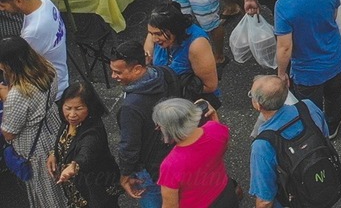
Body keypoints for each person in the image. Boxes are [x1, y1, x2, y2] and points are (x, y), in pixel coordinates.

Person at [274, 0, 341, 136]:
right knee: (334, 95)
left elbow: (284, 47)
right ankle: (333, 124)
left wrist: (281, 73)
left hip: (308, 71)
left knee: (309, 106)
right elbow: (333, 16)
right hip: (335, 58)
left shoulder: (284, 4)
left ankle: (317, 131)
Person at [0, 37, 64, 208]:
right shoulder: (48, 68)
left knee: (47, 192)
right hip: (54, 126)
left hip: (35, 147)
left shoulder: (18, 95)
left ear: (9, 64)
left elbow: (9, 132)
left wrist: (6, 98)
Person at [246, 75, 328, 208]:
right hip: (321, 183)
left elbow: (265, 200)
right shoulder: (308, 107)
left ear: (258, 105)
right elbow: (325, 137)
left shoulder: (262, 145)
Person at [110, 41, 175, 208]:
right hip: (175, 153)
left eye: (118, 72)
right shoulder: (164, 74)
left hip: (150, 168)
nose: (113, 76)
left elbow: (129, 146)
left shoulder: (131, 107)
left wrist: (125, 174)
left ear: (137, 68)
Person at [48, 80, 120, 208]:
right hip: (78, 189)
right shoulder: (68, 121)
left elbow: (86, 152)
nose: (72, 114)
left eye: (78, 108)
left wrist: (75, 166)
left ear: (89, 107)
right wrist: (54, 154)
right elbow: (63, 142)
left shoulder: (93, 130)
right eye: (68, 108)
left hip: (97, 190)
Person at [153, 97, 230, 208]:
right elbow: (222, 146)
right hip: (224, 194)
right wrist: (214, 116)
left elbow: (170, 206)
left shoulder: (170, 165)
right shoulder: (216, 129)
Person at [0, 0, 67, 97]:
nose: (1, 9)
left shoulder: (33, 32)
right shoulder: (45, 2)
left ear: (18, 1)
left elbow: (21, 69)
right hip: (61, 75)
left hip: (49, 89)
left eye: (3, 5)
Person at [144, 3, 220, 105]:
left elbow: (210, 85)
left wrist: (173, 89)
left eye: (158, 34)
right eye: (151, 33)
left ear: (175, 28)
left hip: (191, 103)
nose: (154, 39)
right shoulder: (156, 33)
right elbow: (147, 61)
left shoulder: (197, 45)